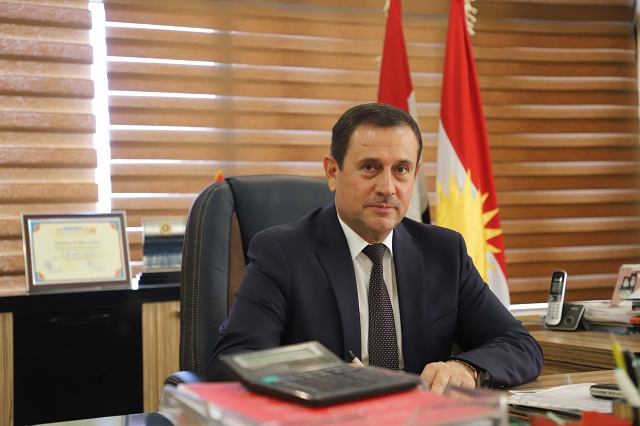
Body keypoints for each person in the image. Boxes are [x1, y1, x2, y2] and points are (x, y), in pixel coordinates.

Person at [207, 103, 543, 392]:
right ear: (333, 172)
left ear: (415, 176)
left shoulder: (444, 251)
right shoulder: (282, 251)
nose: (387, 187)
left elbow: (520, 345)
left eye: (401, 170)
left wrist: (466, 369)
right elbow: (235, 362)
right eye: (370, 167)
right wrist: (328, 379)